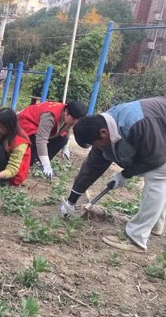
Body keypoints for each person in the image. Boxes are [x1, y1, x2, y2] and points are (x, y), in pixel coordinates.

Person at [61, 97, 166, 253]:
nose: (96, 147)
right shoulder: (101, 127)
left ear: (103, 133)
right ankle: (155, 225)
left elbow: (155, 159)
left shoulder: (136, 124)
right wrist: (71, 200)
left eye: (96, 144)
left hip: (159, 143)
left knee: (157, 176)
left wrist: (126, 174)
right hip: (157, 137)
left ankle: (136, 238)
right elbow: (93, 166)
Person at [18, 100, 87, 179]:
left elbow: (66, 130)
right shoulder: (50, 116)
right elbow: (41, 140)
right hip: (27, 123)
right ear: (66, 111)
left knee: (63, 139)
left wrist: (65, 147)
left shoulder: (70, 113)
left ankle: (39, 161)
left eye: (78, 119)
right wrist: (46, 164)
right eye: (73, 118)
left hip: (40, 127)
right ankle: (35, 161)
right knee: (35, 142)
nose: (75, 122)